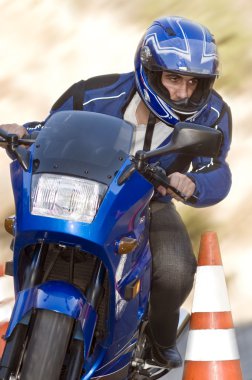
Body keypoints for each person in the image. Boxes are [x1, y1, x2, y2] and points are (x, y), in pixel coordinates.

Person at [0, 16, 232, 368]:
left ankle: (155, 342)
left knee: (176, 268)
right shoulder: (92, 93)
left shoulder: (212, 113)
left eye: (193, 83)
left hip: (150, 199)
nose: (183, 92)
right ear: (149, 71)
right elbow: (49, 131)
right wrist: (23, 132)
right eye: (173, 79)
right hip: (81, 189)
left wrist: (194, 183)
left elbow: (216, 168)